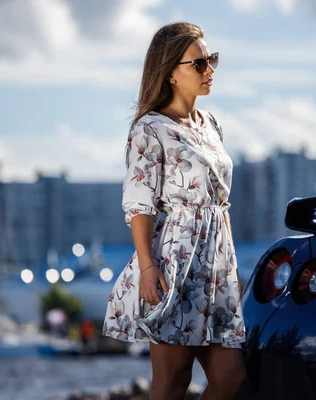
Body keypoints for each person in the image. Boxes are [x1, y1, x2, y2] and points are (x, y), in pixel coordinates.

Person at [102, 22, 246, 400]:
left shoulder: (211, 124)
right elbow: (139, 203)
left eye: (211, 59)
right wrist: (148, 266)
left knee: (231, 378)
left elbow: (221, 202)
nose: (209, 69)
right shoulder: (149, 129)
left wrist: (231, 268)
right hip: (174, 263)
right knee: (173, 380)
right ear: (169, 72)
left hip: (216, 263)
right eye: (199, 63)